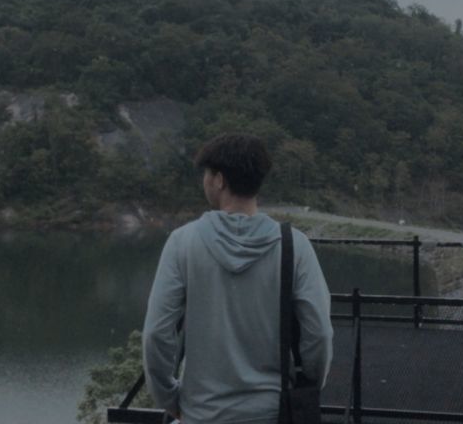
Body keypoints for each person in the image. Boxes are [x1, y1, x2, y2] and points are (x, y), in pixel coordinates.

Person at [142, 133, 333, 423]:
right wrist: (308, 387)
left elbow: (157, 334)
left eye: (207, 174)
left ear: (219, 180)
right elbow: (318, 333)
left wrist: (168, 398)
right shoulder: (294, 246)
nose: (205, 181)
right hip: (272, 413)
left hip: (201, 414)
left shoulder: (183, 242)